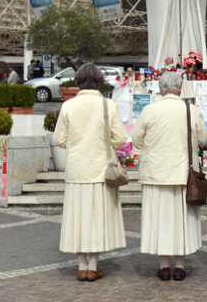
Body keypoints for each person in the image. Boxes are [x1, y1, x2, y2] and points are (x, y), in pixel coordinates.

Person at [131, 71, 207, 281]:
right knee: (181, 220)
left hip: (155, 174)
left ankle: (164, 265)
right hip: (183, 173)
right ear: (180, 88)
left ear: (160, 88)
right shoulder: (190, 110)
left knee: (160, 220)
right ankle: (180, 266)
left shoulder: (150, 110)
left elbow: (137, 139)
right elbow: (203, 138)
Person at [54, 63, 128, 281]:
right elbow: (121, 138)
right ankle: (93, 265)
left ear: (78, 82)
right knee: (96, 219)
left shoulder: (68, 106)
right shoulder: (108, 105)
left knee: (78, 219)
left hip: (77, 171)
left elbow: (59, 139)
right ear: (99, 81)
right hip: (101, 171)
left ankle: (81, 265)